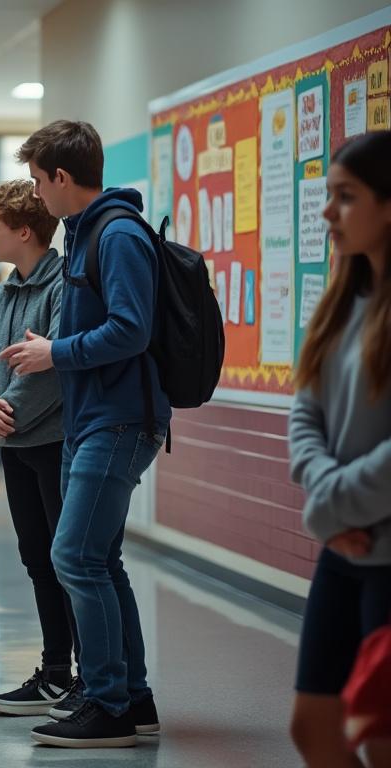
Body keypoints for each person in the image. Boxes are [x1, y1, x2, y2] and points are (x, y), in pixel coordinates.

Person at [0, 120, 166, 748]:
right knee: (101, 560)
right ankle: (133, 699)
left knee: (73, 556)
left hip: (118, 421)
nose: (37, 194)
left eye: (39, 181)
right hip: (92, 418)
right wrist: (55, 348)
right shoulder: (87, 233)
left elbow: (131, 329)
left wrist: (56, 352)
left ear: (62, 177)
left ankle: (106, 703)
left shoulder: (117, 234)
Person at [286, 130, 391, 768]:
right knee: (314, 727)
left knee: (380, 737)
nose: (328, 211)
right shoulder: (343, 303)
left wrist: (331, 506)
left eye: (346, 197)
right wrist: (328, 507)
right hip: (343, 546)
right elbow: (306, 414)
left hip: (382, 549)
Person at [0, 179, 79, 716]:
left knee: (67, 561)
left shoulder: (64, 286)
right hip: (17, 446)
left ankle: (88, 677)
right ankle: (55, 673)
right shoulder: (3, 294)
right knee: (36, 557)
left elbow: (51, 373)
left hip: (54, 444)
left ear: (25, 232)